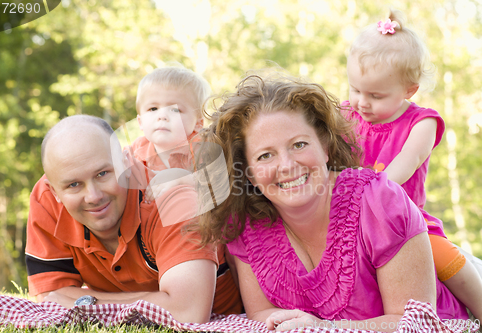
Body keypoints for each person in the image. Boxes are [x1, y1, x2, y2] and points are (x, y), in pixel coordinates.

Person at [197, 72, 469, 332]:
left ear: (324, 147)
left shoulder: (379, 202)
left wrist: (326, 329)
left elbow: (414, 323)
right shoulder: (247, 224)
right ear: (249, 172)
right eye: (265, 156)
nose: (288, 165)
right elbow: (261, 315)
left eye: (299, 144)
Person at [25, 115, 242, 324]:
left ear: (126, 162)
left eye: (102, 174)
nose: (93, 197)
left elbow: (188, 311)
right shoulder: (46, 200)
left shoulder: (172, 196)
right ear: (54, 191)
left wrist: (86, 302)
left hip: (226, 315)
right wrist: (163, 301)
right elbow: (50, 297)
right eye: (73, 185)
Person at [344, 9, 482, 321]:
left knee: (445, 258)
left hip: (407, 220)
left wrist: (367, 191)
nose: (361, 102)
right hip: (351, 217)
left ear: (410, 90)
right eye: (354, 89)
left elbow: (403, 167)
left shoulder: (422, 123)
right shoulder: (345, 116)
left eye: (375, 95)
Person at [131, 66, 209, 202]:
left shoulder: (202, 148)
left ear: (198, 123)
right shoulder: (136, 150)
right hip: (148, 221)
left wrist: (183, 178)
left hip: (191, 219)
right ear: (140, 121)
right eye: (153, 108)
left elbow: (221, 180)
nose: (162, 116)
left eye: (175, 110)